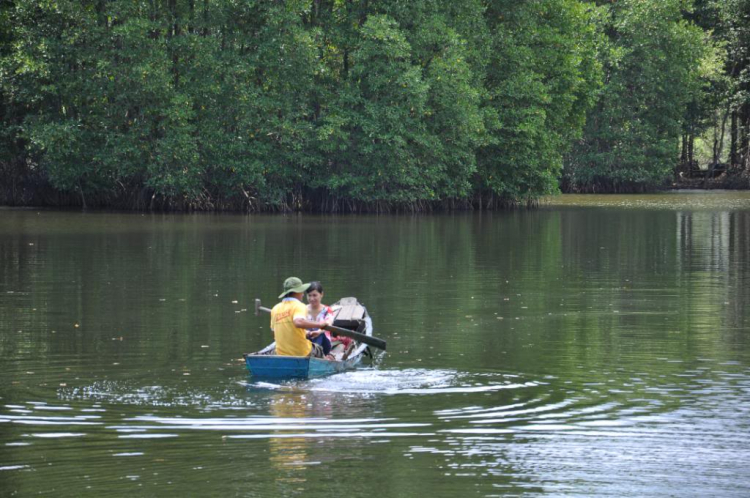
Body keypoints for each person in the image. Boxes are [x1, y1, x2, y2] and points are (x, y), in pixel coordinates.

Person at [270, 277, 328, 357]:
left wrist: (305, 333)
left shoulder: (275, 308)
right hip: (302, 352)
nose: (303, 294)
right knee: (319, 349)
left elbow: (274, 333)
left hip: (281, 353)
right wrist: (320, 324)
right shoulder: (299, 306)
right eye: (302, 291)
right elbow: (298, 322)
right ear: (298, 292)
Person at [306, 281, 353, 355]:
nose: (311, 298)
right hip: (306, 342)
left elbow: (328, 323)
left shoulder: (327, 310)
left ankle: (314, 353)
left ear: (321, 294)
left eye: (314, 295)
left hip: (323, 345)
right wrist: (308, 333)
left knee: (320, 333)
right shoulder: (302, 310)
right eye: (309, 295)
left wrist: (318, 332)